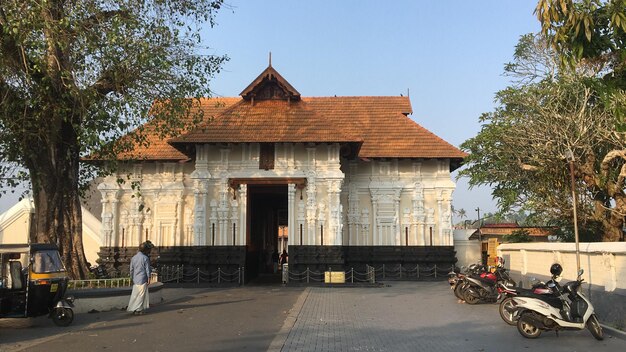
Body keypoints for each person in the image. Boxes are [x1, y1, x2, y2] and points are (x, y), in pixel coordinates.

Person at [127, 240, 153, 315]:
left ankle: (136, 308)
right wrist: (149, 278)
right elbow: (148, 269)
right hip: (142, 278)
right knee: (141, 295)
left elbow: (131, 269)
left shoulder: (134, 258)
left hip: (136, 279)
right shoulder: (145, 258)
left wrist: (132, 278)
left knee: (135, 294)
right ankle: (137, 309)